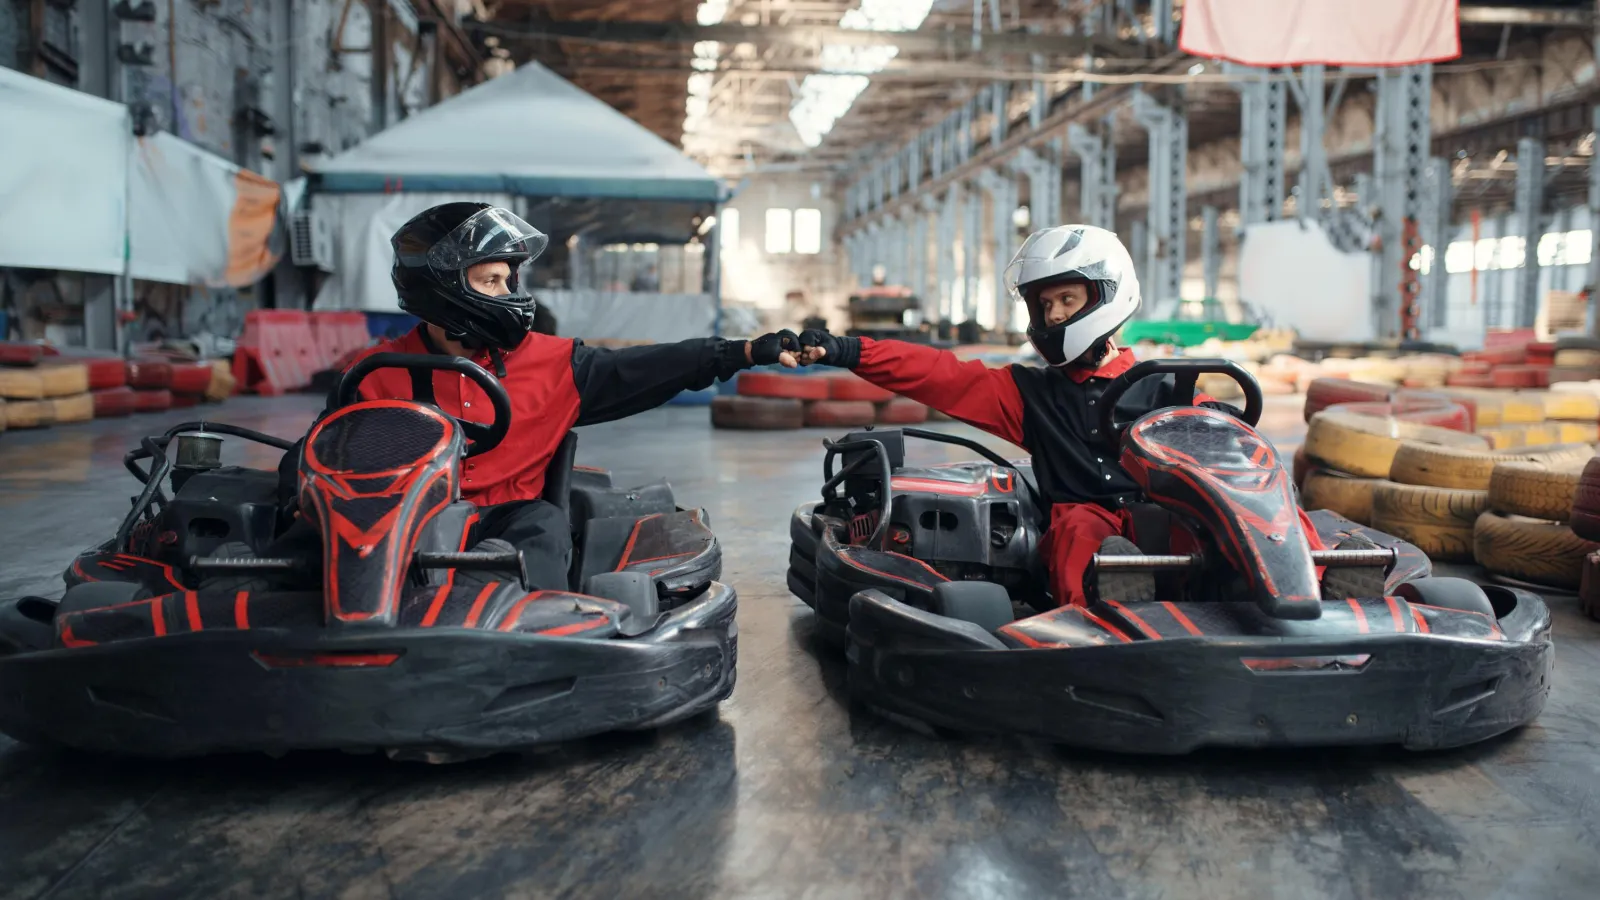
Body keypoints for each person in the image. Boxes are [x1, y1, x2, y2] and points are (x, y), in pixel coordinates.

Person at [217, 202, 800, 594]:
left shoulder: (555, 364)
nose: (509, 295)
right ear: (443, 288)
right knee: (304, 536)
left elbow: (649, 366)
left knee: (542, 528)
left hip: (504, 517)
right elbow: (325, 446)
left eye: (508, 281)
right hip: (392, 518)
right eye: (492, 281)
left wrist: (744, 352)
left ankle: (515, 626)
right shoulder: (374, 372)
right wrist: (299, 488)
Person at [795, 224, 1326, 608]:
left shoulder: (1173, 387)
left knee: (1247, 504)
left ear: (1106, 295)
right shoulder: (1030, 393)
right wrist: (847, 350)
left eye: (1067, 300)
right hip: (1091, 522)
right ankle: (1104, 612)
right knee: (1077, 530)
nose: (1053, 317)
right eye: (1044, 306)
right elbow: (938, 374)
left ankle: (1317, 583)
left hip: (1170, 516)